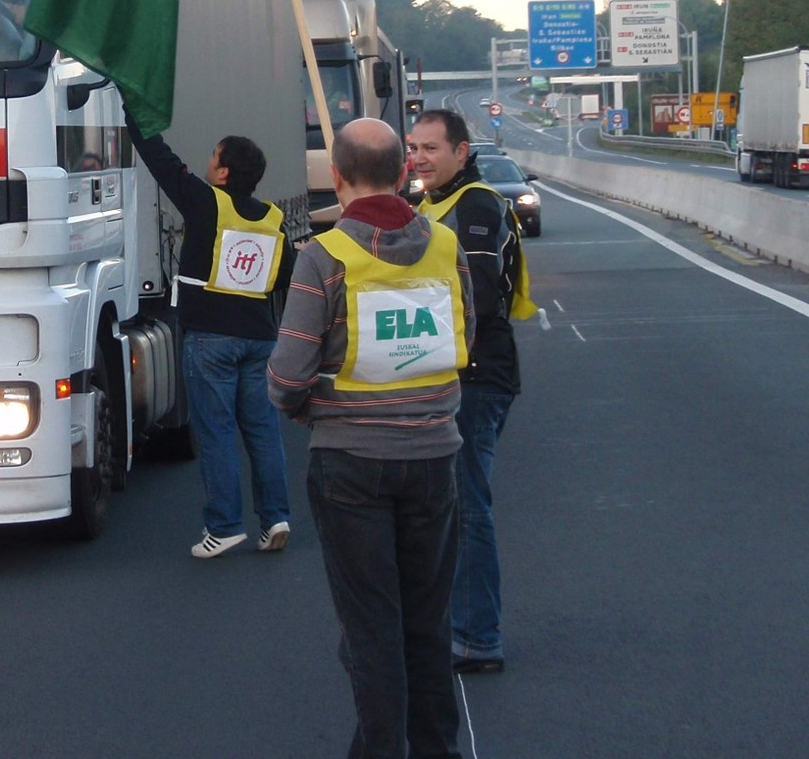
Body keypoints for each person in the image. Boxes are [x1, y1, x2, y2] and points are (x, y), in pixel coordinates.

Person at [268, 117, 473, 758]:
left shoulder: (324, 255)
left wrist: (310, 411)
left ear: (336, 177)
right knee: (428, 624)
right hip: (435, 457)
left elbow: (287, 377)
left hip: (351, 463)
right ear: (404, 171)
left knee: (371, 630)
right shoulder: (446, 246)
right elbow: (465, 339)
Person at [125, 104, 295, 559]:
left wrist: (133, 108)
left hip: (211, 339)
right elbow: (283, 277)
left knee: (217, 433)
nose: (207, 162)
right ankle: (275, 518)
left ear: (222, 172)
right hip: (260, 337)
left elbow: (159, 158)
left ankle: (225, 526)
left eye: (213, 156)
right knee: (263, 432)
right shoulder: (273, 219)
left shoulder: (206, 202)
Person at [407, 108, 536, 677]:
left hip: (477, 377)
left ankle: (478, 637)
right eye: (413, 148)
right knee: (446, 505)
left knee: (465, 507)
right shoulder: (430, 207)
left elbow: (475, 301)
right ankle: (456, 624)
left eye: (431, 148)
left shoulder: (476, 206)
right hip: (453, 373)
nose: (418, 158)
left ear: (462, 152)